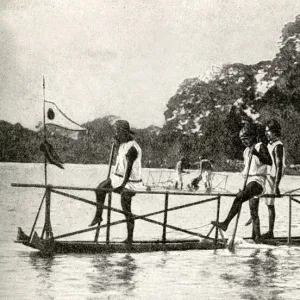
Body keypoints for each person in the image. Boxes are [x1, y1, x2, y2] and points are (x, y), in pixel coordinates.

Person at [211, 123, 272, 241]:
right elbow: (247, 168)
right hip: (249, 181)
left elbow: (269, 161)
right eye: (242, 140)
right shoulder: (245, 151)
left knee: (238, 198)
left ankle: (225, 223)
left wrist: (257, 153)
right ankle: (257, 238)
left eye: (246, 139)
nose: (244, 142)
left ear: (252, 137)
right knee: (253, 211)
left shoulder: (260, 146)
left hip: (258, 181)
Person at [89, 120, 144, 244]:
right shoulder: (122, 144)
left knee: (125, 208)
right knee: (100, 189)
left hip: (130, 181)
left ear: (124, 132)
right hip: (117, 177)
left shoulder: (133, 148)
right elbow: (120, 163)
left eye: (118, 131)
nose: (116, 134)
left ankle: (130, 239)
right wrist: (116, 141)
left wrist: (122, 186)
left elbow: (128, 170)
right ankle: (98, 216)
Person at [262, 119, 285, 239]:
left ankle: (270, 232)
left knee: (270, 204)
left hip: (273, 177)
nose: (266, 133)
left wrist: (276, 186)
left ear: (275, 132)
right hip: (267, 176)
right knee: (267, 203)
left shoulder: (278, 145)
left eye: (269, 131)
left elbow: (279, 166)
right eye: (265, 131)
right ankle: (265, 231)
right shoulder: (268, 145)